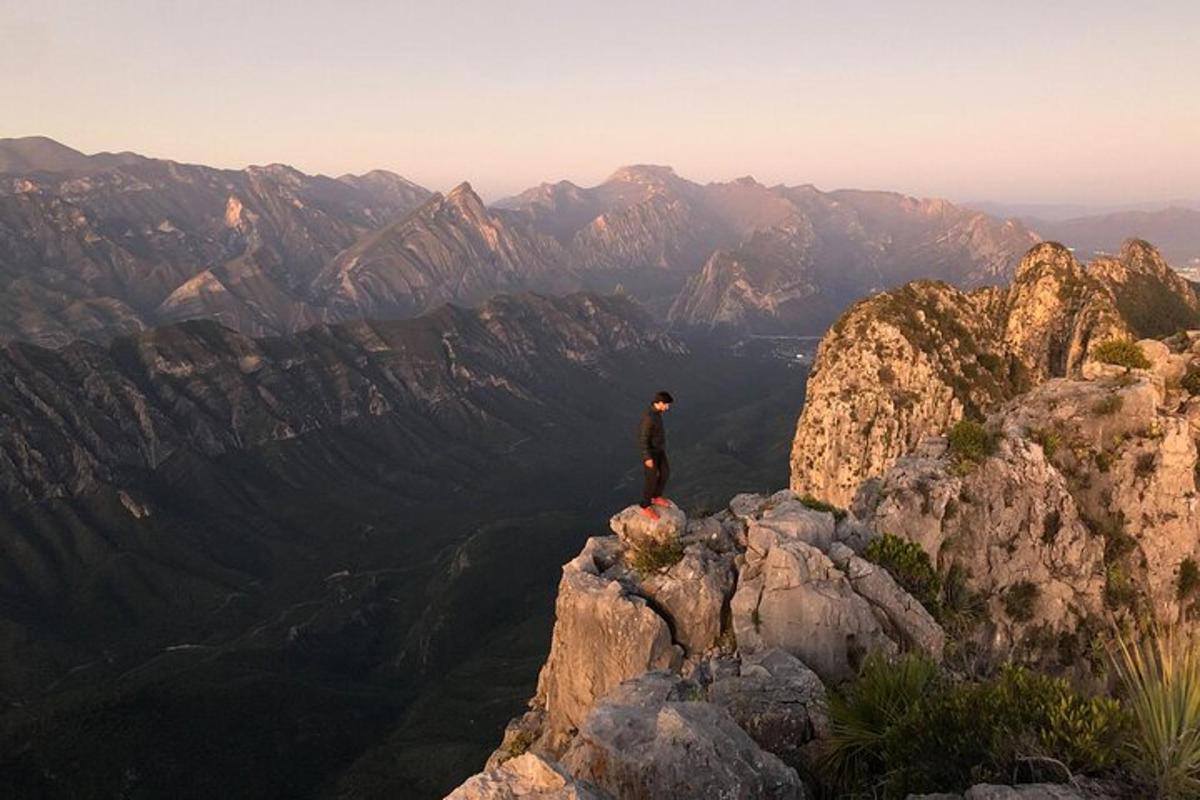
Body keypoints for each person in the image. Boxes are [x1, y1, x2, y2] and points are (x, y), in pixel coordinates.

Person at [637, 390, 674, 519]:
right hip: (651, 453)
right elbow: (643, 439)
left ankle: (656, 496)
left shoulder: (657, 413)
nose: (668, 407)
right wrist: (647, 457)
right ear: (659, 403)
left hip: (659, 450)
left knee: (665, 472)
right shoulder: (649, 417)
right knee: (651, 479)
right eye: (666, 405)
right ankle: (645, 505)